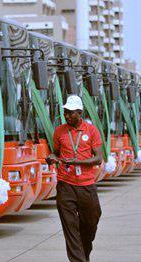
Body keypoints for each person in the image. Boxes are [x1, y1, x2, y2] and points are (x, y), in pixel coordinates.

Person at [47, 95, 103, 262]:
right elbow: (56, 153)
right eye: (65, 112)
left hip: (87, 186)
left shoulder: (91, 131)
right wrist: (50, 158)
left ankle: (83, 254)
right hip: (66, 186)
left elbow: (98, 158)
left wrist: (77, 161)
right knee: (70, 229)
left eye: (71, 113)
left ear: (80, 113)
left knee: (91, 223)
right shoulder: (59, 131)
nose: (67, 116)